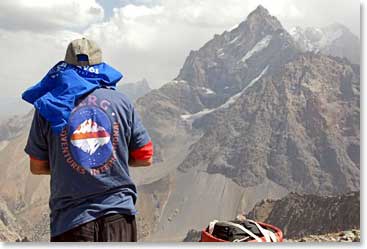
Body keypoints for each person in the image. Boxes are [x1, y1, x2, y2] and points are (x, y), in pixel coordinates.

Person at [22, 38, 153, 242]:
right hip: (119, 218)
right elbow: (145, 156)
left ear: (65, 66)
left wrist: (72, 164)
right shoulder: (122, 102)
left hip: (70, 222)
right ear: (101, 65)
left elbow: (37, 166)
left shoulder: (49, 105)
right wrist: (111, 161)